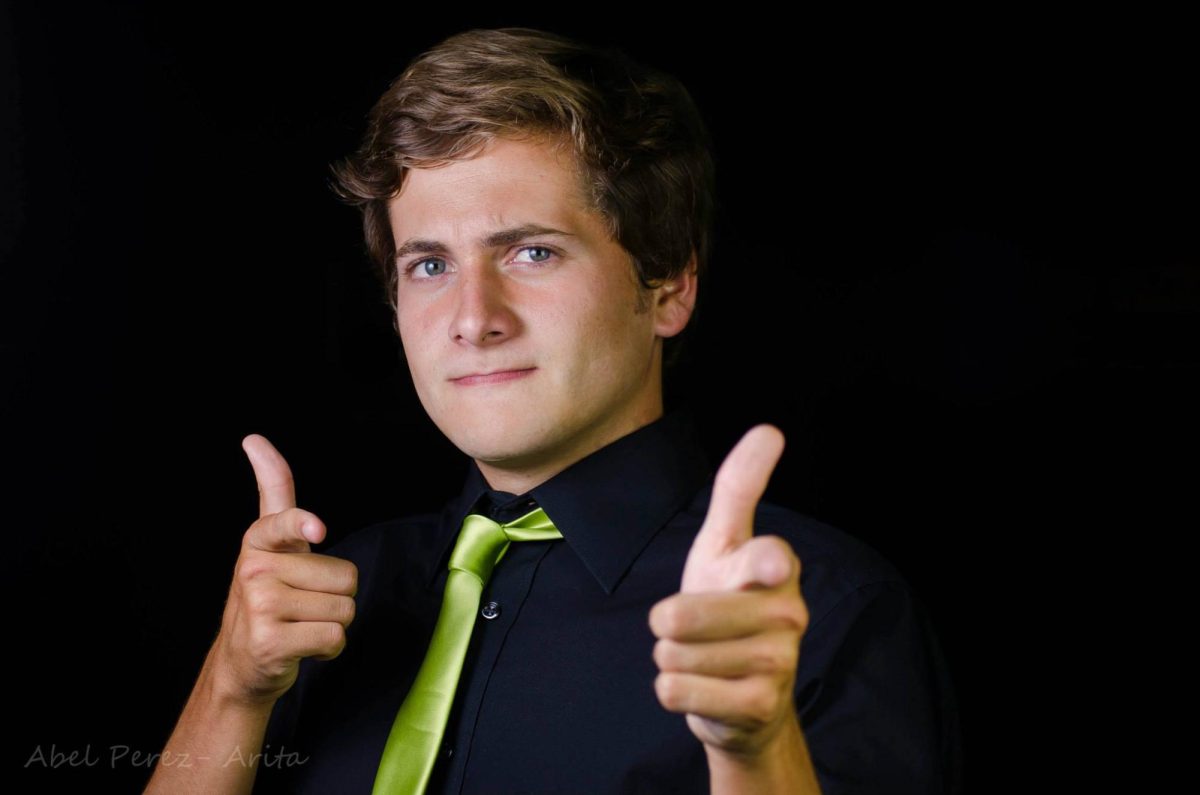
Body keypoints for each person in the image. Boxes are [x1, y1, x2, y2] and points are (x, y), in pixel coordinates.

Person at [144, 26, 962, 795]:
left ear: (669, 285)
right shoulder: (324, 606)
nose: (473, 317)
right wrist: (233, 682)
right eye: (429, 264)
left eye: (531, 252)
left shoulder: (821, 612)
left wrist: (755, 747)